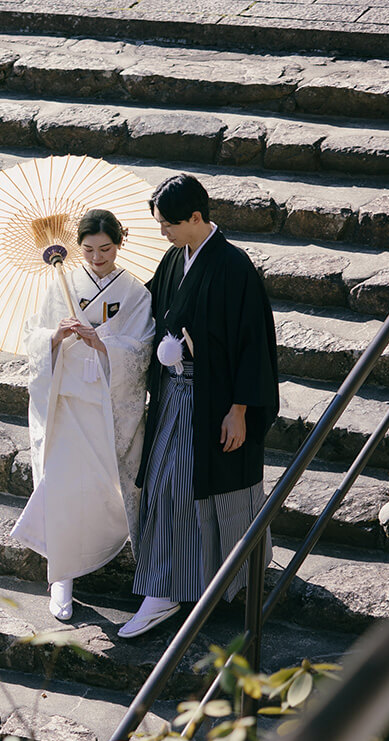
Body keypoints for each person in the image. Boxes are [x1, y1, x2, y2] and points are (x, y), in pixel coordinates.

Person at [119, 174, 279, 638]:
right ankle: (170, 583)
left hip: (217, 400)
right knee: (169, 484)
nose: (163, 233)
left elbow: (254, 345)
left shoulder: (234, 267)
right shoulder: (175, 259)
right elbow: (147, 308)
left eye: (168, 224)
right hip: (175, 393)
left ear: (195, 217)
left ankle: (176, 587)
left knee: (181, 483)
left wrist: (241, 410)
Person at [11, 209, 155, 620]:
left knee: (107, 489)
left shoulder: (135, 292)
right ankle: (61, 576)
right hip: (66, 401)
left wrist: (103, 342)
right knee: (59, 486)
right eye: (89, 250)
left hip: (106, 406)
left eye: (106, 249)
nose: (97, 258)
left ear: (119, 243)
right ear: (78, 247)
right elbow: (33, 334)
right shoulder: (62, 283)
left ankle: (137, 567)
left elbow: (142, 348)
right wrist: (54, 337)